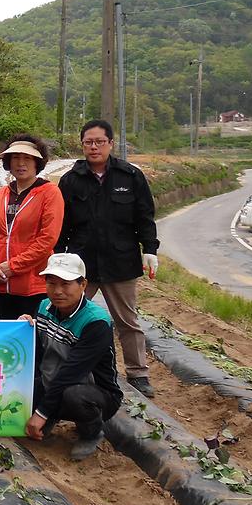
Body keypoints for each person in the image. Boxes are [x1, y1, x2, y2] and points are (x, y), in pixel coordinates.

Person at [56, 119, 160, 396]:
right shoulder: (70, 180)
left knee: (127, 321)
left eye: (99, 142)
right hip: (81, 264)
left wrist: (150, 248)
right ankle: (66, 369)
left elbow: (144, 216)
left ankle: (138, 373)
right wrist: (57, 259)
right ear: (82, 145)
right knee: (69, 316)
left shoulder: (130, 176)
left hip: (121, 262)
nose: (94, 147)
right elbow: (62, 224)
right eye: (88, 142)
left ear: (111, 144)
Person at [22, 253, 122, 461]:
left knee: (73, 396)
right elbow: (37, 354)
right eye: (52, 283)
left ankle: (91, 432)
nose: (58, 291)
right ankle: (52, 413)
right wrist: (23, 329)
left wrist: (40, 414)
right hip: (54, 382)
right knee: (19, 390)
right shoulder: (44, 307)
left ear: (83, 284)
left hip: (94, 391)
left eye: (66, 284)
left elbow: (71, 372)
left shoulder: (96, 322)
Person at [0, 134, 65, 320]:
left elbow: (47, 240)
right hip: (2, 283)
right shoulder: (1, 194)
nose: (21, 164)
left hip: (34, 285)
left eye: (27, 158)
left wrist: (12, 267)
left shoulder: (49, 193)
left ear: (37, 162)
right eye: (16, 158)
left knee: (34, 340)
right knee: (10, 341)